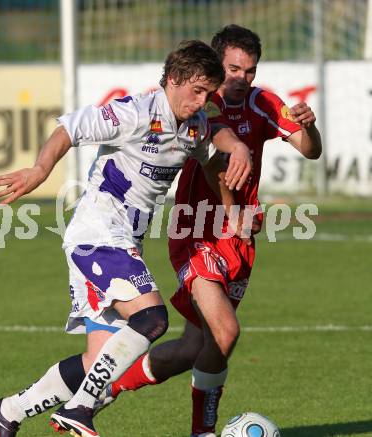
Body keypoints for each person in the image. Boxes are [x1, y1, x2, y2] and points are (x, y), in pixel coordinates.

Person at [0, 40, 252, 437]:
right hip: (98, 233)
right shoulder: (136, 112)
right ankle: (78, 411)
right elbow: (69, 128)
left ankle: (8, 410)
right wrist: (40, 171)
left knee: (98, 365)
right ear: (173, 80)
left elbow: (212, 161)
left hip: (121, 242)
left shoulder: (195, 125)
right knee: (152, 319)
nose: (202, 101)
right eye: (196, 91)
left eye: (208, 93)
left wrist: (231, 208)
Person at [94, 25, 323, 437]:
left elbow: (311, 150)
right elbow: (215, 155)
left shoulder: (264, 102)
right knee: (226, 331)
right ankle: (204, 431)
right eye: (233, 68)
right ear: (218, 65)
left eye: (249, 70)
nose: (241, 78)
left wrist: (309, 125)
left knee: (194, 348)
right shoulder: (204, 103)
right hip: (196, 232)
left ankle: (102, 391)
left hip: (239, 241)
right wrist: (234, 208)